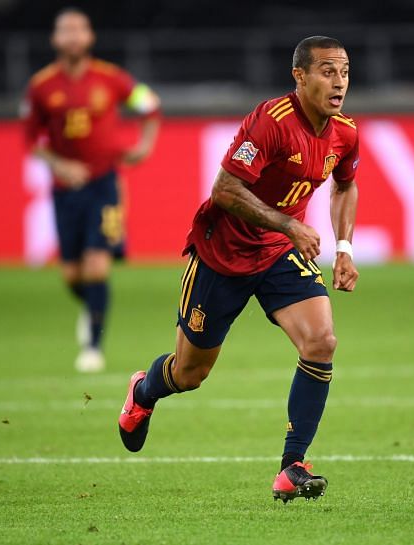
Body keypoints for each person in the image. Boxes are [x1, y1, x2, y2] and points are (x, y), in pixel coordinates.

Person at [117, 35, 360, 503]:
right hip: (221, 255)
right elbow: (225, 189)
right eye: (328, 71)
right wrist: (290, 223)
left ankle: (292, 466)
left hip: (277, 253)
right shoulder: (271, 122)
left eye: (345, 72)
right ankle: (144, 392)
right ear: (300, 76)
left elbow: (345, 185)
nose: (339, 82)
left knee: (322, 340)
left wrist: (344, 247)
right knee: (189, 375)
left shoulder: (345, 131)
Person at [22, 7, 161, 372]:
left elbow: (149, 105)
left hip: (104, 184)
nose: (72, 36)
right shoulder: (41, 86)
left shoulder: (111, 79)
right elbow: (31, 140)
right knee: (72, 274)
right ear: (55, 39)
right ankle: (91, 309)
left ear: (89, 38)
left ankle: (93, 347)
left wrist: (144, 146)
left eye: (78, 30)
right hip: (64, 190)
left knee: (97, 265)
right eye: (65, 30)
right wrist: (60, 165)